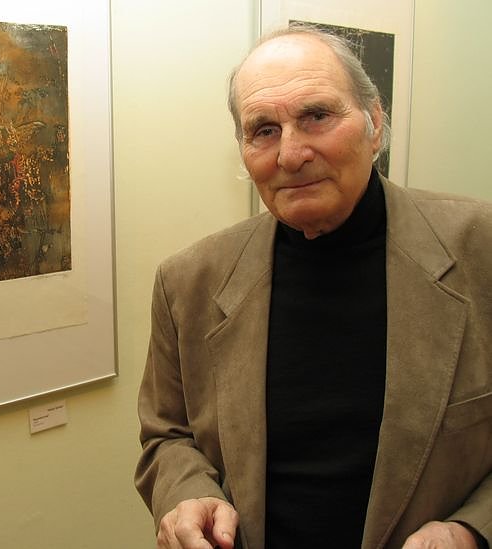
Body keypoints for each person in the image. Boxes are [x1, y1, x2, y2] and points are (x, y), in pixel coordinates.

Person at [135, 24, 492, 549]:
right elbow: (167, 436)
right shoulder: (188, 282)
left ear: (375, 123)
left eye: (316, 116)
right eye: (264, 130)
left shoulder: (480, 248)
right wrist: (187, 494)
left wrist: (473, 530)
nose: (290, 154)